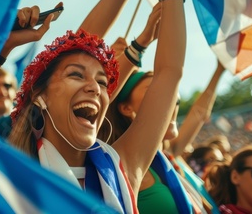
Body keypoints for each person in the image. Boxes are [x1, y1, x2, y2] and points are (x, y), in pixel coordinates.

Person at [8, 0, 189, 212]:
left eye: (103, 82)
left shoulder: (121, 170)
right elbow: (82, 41)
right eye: (76, 75)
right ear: (40, 94)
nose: (94, 87)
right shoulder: (7, 171)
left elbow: (169, 74)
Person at [97, 60, 226, 213]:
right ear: (126, 108)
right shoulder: (122, 165)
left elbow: (199, 114)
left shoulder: (168, 157)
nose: (171, 99)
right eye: (154, 91)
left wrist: (220, 68)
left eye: (173, 93)